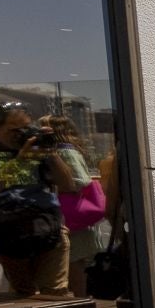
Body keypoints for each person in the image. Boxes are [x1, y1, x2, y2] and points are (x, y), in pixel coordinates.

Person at [0, 100, 78, 299]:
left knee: (56, 294)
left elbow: (68, 185)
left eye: (26, 128)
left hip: (48, 225)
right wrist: (21, 160)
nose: (21, 135)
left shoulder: (35, 141)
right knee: (25, 295)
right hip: (7, 230)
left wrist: (51, 152)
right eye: (15, 131)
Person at [38, 115, 108, 294]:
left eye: (45, 127)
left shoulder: (64, 151)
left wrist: (58, 181)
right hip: (70, 216)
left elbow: (79, 181)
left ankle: (82, 301)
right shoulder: (59, 150)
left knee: (75, 263)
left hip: (71, 216)